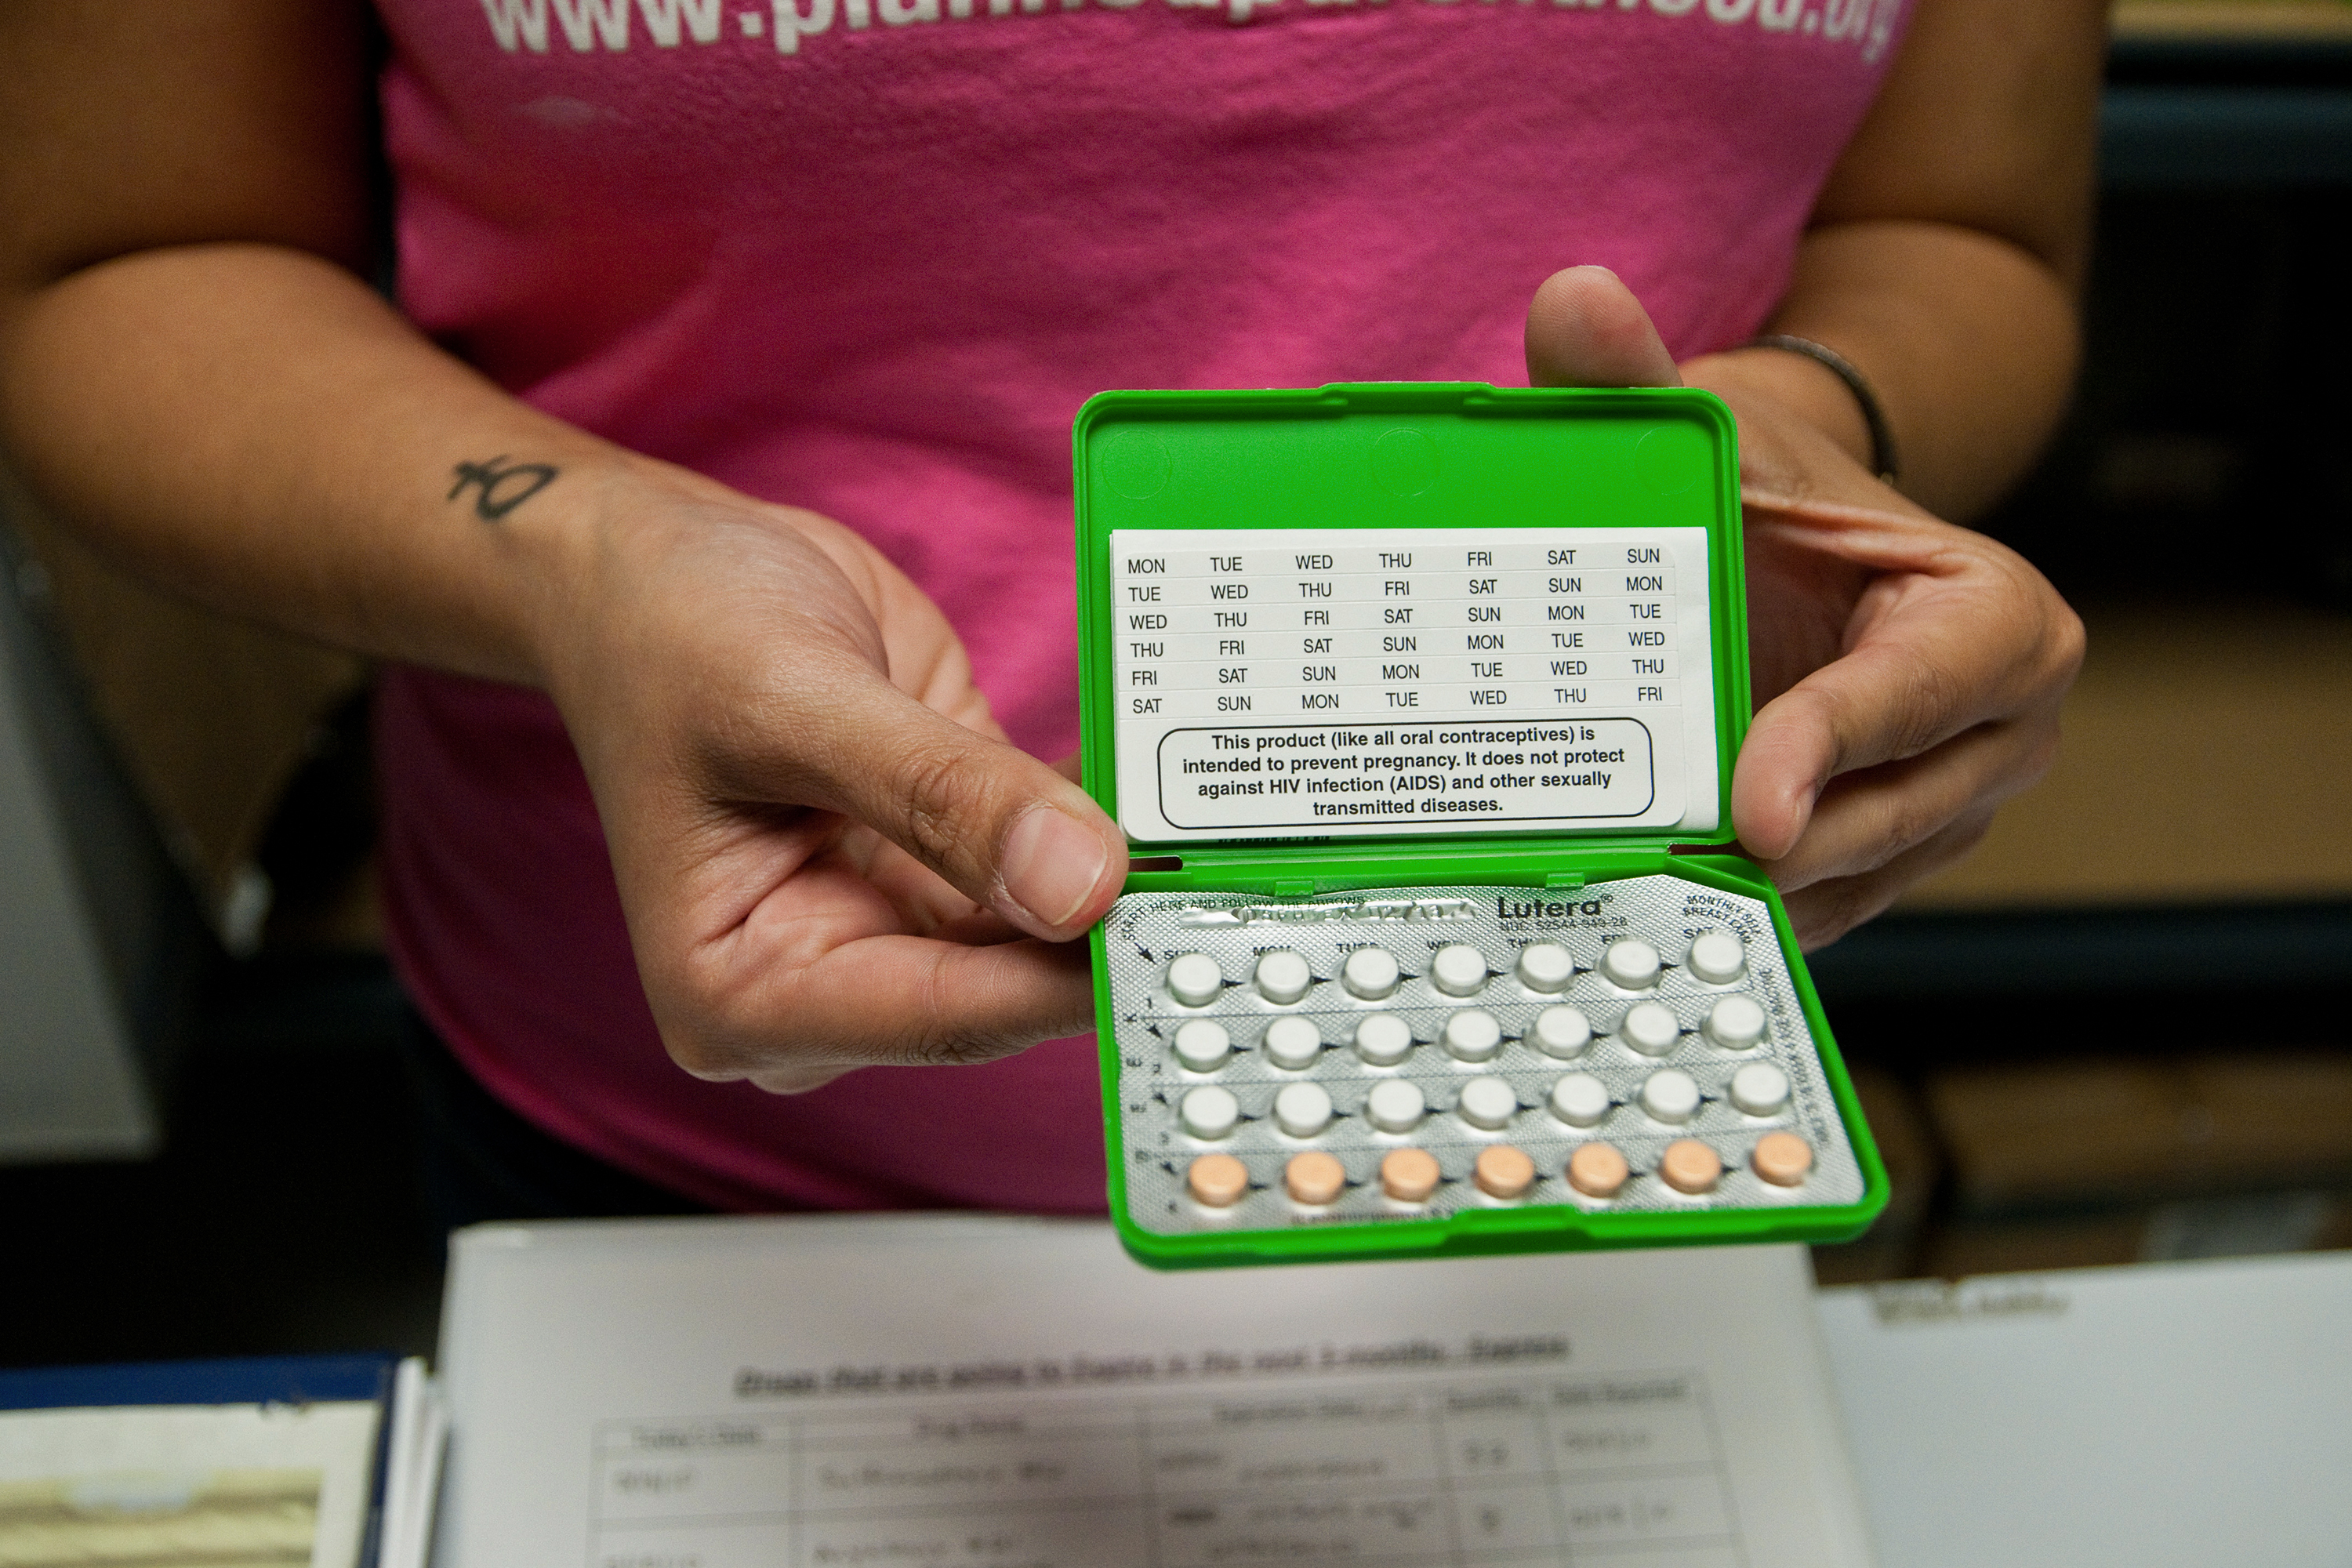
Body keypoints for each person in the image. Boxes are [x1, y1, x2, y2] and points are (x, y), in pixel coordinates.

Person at [0, 0, 2090, 1217]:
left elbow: (1969, 224)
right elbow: (122, 261)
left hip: (1604, 1062)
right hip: (689, 1115)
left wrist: (1802, 433)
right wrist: (587, 555)